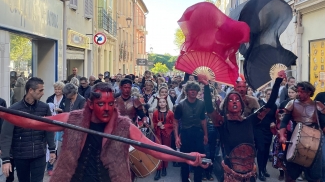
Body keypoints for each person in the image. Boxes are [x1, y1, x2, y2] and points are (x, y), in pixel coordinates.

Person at [0, 82, 207, 182]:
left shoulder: (123, 125)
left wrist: (187, 158)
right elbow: (33, 123)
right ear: (91, 103)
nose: (107, 108)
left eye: (110, 103)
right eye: (101, 103)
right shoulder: (74, 119)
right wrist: (2, 113)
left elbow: (153, 148)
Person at [201, 72, 284, 182]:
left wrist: (278, 82)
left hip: (249, 173)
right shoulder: (221, 122)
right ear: (226, 105)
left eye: (237, 100)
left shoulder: (250, 121)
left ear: (242, 105)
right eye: (231, 100)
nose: (234, 101)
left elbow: (269, 105)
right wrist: (206, 86)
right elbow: (209, 109)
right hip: (230, 172)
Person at [0, 77, 56, 182]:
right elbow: (6, 135)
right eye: (40, 90)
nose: (43, 93)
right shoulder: (14, 110)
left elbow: (49, 129)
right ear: (31, 90)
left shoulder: (44, 108)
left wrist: (52, 149)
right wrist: (6, 159)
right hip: (21, 156)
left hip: (39, 154)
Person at [279, 81, 325, 182]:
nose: (298, 94)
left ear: (309, 92)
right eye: (297, 91)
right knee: (290, 174)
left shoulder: (318, 105)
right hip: (294, 139)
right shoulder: (292, 103)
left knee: (315, 176)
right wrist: (282, 136)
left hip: (313, 142)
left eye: (301, 92)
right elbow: (284, 123)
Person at [174, 81, 208, 182]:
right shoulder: (180, 105)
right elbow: (175, 122)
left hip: (198, 133)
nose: (193, 92)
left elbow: (203, 120)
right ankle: (184, 180)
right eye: (191, 90)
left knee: (199, 159)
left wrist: (206, 134)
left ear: (197, 92)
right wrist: (176, 137)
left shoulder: (202, 104)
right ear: (187, 91)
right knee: (185, 160)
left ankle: (198, 180)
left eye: (195, 90)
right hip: (185, 133)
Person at [270, 85, 297, 181]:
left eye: (292, 92)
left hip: (294, 130)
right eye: (289, 92)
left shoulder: (299, 103)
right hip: (282, 133)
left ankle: (293, 172)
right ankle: (282, 172)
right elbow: (279, 118)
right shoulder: (284, 103)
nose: (290, 94)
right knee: (281, 154)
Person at [152, 98, 174, 180]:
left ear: (166, 103)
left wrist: (166, 126)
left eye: (163, 102)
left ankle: (165, 167)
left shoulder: (170, 113)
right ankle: (158, 169)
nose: (162, 103)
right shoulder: (155, 113)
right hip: (158, 134)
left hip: (166, 134)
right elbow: (153, 123)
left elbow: (173, 124)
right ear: (158, 103)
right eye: (160, 102)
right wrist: (157, 124)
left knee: (165, 150)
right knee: (158, 151)